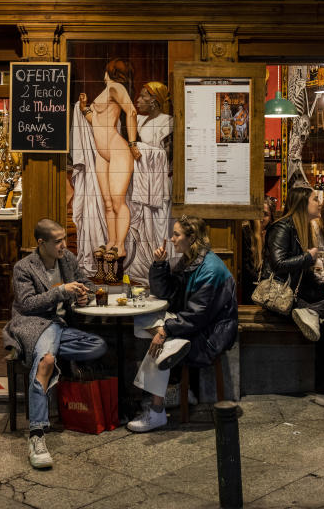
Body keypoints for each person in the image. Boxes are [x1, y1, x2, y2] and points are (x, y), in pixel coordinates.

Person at [2, 219, 107, 469]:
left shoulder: (67, 259)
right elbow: (27, 304)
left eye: (64, 239)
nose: (63, 245)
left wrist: (84, 294)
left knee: (97, 345)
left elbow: (88, 285)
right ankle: (36, 435)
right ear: (41, 243)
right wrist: (61, 292)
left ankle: (38, 352)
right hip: (34, 323)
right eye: (58, 241)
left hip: (61, 326)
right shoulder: (24, 267)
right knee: (47, 361)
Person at [126, 215, 238, 432]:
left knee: (163, 346)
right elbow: (167, 294)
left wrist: (166, 330)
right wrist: (159, 266)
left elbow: (198, 315)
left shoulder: (210, 269)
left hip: (210, 335)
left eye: (176, 234)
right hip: (195, 326)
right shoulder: (189, 260)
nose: (172, 239)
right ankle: (174, 379)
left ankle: (156, 410)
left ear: (191, 237)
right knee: (142, 322)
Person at [265, 187, 324, 410]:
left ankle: (316, 312)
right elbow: (278, 264)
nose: (319, 203)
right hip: (282, 297)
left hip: (302, 294)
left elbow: (305, 273)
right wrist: (308, 256)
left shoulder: (302, 228)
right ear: (302, 204)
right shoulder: (282, 227)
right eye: (315, 199)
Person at [78, 58, 141, 265]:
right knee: (107, 203)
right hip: (103, 153)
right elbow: (95, 122)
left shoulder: (116, 87)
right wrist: (84, 108)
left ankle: (120, 246)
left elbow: (131, 111)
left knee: (117, 201)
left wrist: (132, 143)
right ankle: (111, 241)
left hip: (118, 150)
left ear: (110, 71)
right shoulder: (105, 92)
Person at [126, 81, 175, 281]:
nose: (138, 100)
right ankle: (143, 265)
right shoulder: (140, 121)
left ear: (154, 100)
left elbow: (168, 156)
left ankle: (159, 265)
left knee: (160, 224)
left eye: (143, 96)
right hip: (142, 182)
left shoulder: (168, 122)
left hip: (159, 184)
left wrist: (141, 149)